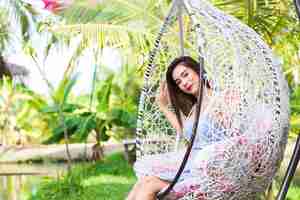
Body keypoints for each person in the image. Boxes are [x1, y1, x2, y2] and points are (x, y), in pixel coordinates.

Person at [126, 56, 227, 200]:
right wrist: (162, 105)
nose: (184, 83)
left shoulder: (219, 99)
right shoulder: (195, 108)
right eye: (178, 82)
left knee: (149, 184)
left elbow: (232, 134)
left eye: (185, 74)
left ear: (198, 70)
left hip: (207, 169)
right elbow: (186, 132)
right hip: (190, 165)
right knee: (144, 181)